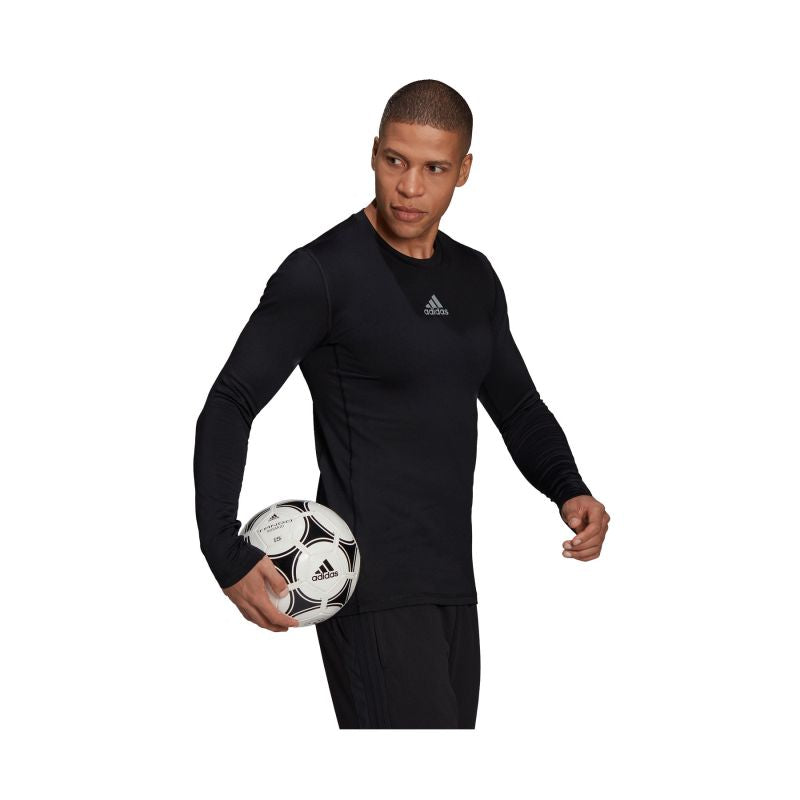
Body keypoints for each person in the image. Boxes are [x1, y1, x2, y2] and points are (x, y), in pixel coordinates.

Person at [193, 78, 610, 729]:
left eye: (434, 168)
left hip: (452, 588)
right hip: (367, 589)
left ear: (463, 170)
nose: (409, 187)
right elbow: (231, 400)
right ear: (374, 153)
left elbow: (518, 406)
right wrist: (223, 548)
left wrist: (569, 487)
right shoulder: (322, 272)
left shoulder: (473, 277)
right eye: (395, 161)